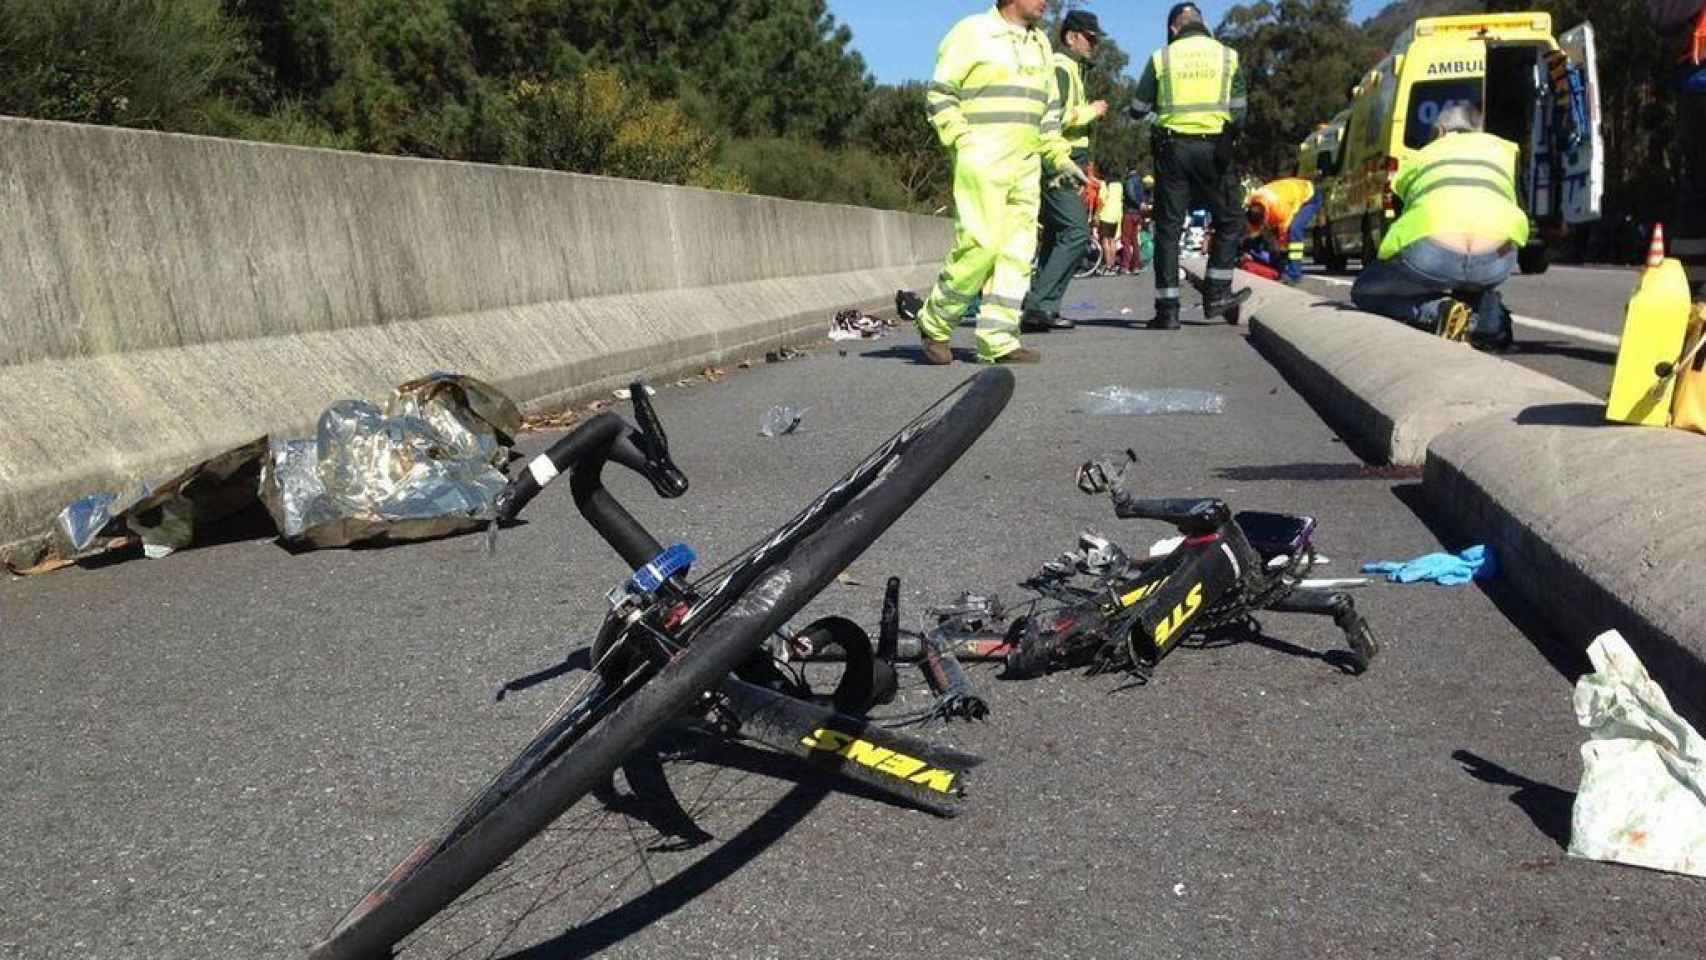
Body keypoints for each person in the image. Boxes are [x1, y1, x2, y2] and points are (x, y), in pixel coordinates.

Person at [916, 0, 1088, 365]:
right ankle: (935, 321)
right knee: (981, 244)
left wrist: (1059, 157)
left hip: (1026, 165)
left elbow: (1049, 115)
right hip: (983, 160)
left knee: (1018, 253)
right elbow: (940, 95)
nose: (1047, 2)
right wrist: (963, 141)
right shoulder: (972, 32)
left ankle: (999, 339)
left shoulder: (1040, 44)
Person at [1350, 103, 1527, 351]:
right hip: (1496, 259)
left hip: (1432, 256)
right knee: (1477, 271)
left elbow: (1403, 208)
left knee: (1365, 292)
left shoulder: (1421, 155)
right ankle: (1488, 320)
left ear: (1442, 130)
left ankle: (1438, 311)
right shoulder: (1506, 152)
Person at [1129, 2, 1251, 330]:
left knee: (1169, 229)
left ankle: (1168, 310)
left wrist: (1159, 115)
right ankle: (1217, 293)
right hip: (1215, 150)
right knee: (1228, 220)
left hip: (1173, 149)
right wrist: (1230, 136)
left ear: (1173, 29)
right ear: (1203, 23)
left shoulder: (1161, 58)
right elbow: (1239, 110)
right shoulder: (1228, 56)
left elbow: (1137, 107)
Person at [1020, 10, 1108, 334]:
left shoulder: (1073, 69)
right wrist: (1091, 111)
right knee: (1075, 233)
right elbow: (1053, 117)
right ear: (1071, 37)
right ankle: (1038, 305)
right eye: (1090, 38)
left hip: (1070, 161)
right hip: (1058, 161)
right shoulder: (1061, 68)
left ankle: (1046, 308)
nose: (1094, 45)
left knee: (1058, 235)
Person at [1244, 175, 1323, 284]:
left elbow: (1284, 230)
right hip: (1289, 195)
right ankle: (1279, 267)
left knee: (1295, 230)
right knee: (1273, 238)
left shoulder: (1279, 209)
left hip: (1310, 196)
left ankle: (1294, 275)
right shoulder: (1252, 200)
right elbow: (1255, 227)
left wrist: (1282, 247)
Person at [1118, 169, 1147, 272]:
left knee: (1126, 239)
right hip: (1137, 214)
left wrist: (1137, 203)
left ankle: (1125, 265)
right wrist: (1141, 204)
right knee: (1135, 240)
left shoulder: (1129, 181)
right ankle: (1136, 265)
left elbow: (1130, 194)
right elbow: (1143, 196)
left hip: (1129, 213)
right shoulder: (1140, 181)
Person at [1096, 174, 1124, 275]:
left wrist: (1096, 215)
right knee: (1112, 240)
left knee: (1105, 241)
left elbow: (1101, 201)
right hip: (1115, 215)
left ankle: (1108, 266)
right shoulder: (1119, 185)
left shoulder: (1104, 184)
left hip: (1106, 214)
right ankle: (1112, 266)